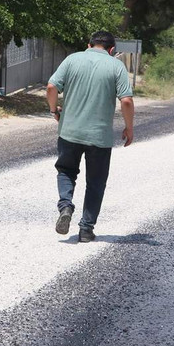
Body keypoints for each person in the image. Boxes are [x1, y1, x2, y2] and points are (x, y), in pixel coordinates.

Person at [46, 31, 134, 243]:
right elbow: (127, 101)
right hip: (99, 137)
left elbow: (51, 87)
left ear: (89, 44)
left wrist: (54, 111)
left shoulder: (72, 59)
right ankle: (86, 229)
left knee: (66, 171)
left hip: (69, 131)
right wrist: (129, 128)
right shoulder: (116, 66)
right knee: (95, 182)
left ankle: (66, 206)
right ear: (112, 50)